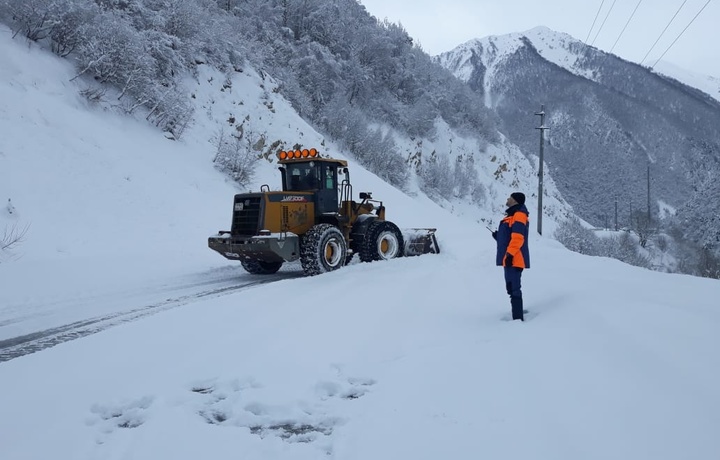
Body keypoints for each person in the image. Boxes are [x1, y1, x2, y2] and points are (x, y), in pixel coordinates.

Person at [492, 192, 530, 321]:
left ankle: (518, 319)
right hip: (511, 257)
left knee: (513, 288)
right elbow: (509, 238)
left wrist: (509, 255)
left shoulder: (519, 215)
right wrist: (498, 237)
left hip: (514, 258)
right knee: (511, 287)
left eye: (510, 197)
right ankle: (517, 315)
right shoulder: (512, 215)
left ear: (515, 200)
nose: (507, 199)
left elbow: (518, 238)